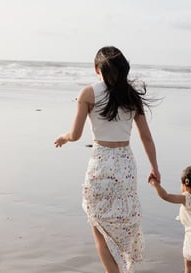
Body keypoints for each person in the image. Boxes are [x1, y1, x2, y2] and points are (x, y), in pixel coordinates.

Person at [54, 46, 159, 273]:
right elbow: (146, 137)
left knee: (99, 229)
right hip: (126, 165)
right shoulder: (131, 95)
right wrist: (155, 167)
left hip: (101, 163)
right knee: (120, 223)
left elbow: (75, 135)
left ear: (96, 69)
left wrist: (63, 138)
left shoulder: (88, 93)